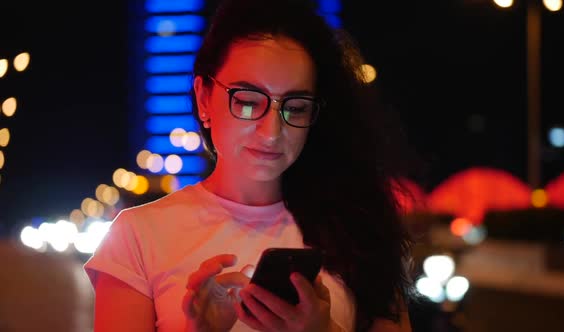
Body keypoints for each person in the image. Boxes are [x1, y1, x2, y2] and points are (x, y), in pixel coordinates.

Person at [84, 0, 418, 331]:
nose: (272, 132)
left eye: (296, 107)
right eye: (247, 102)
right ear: (203, 99)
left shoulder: (358, 227)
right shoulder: (138, 235)